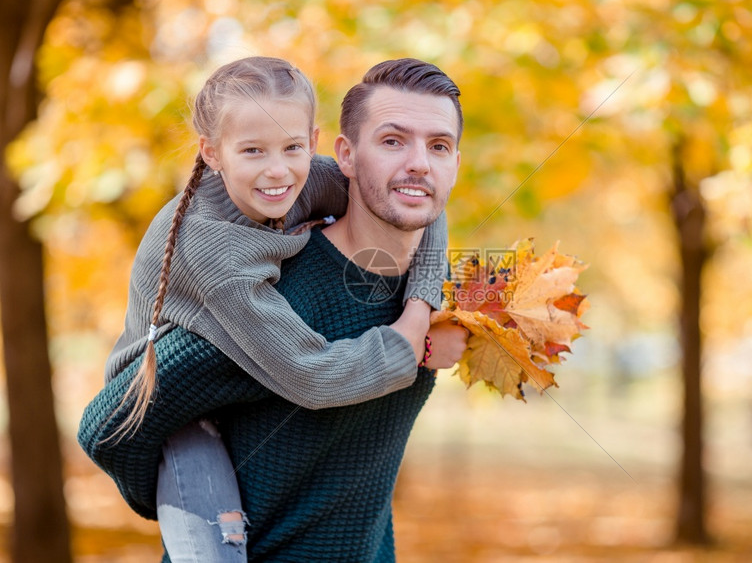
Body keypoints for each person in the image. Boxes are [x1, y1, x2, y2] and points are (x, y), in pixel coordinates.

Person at [79, 57, 467, 561]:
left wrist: (422, 302)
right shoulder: (248, 282)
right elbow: (111, 425)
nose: (419, 163)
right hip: (170, 394)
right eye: (393, 140)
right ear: (346, 154)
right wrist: (415, 343)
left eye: (439, 147)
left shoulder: (303, 184)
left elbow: (423, 201)